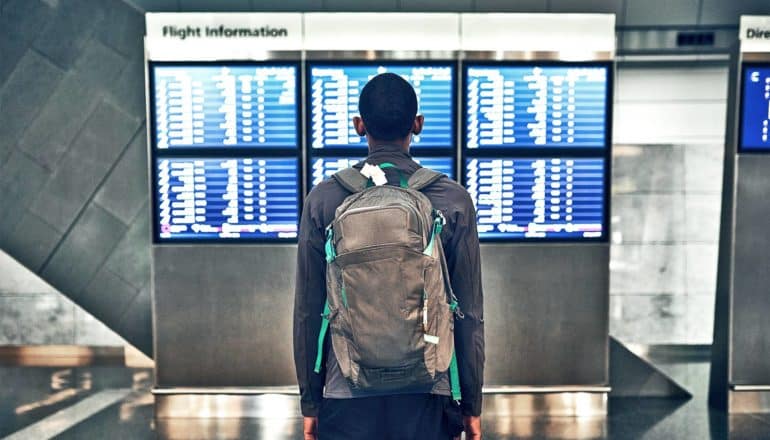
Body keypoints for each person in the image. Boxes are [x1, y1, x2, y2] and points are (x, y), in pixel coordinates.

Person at [293, 72, 484, 440]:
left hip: (345, 392)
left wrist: (310, 403)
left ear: (359, 126)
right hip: (429, 392)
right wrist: (471, 405)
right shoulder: (452, 201)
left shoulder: (323, 200)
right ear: (418, 125)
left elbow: (307, 311)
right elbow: (470, 314)